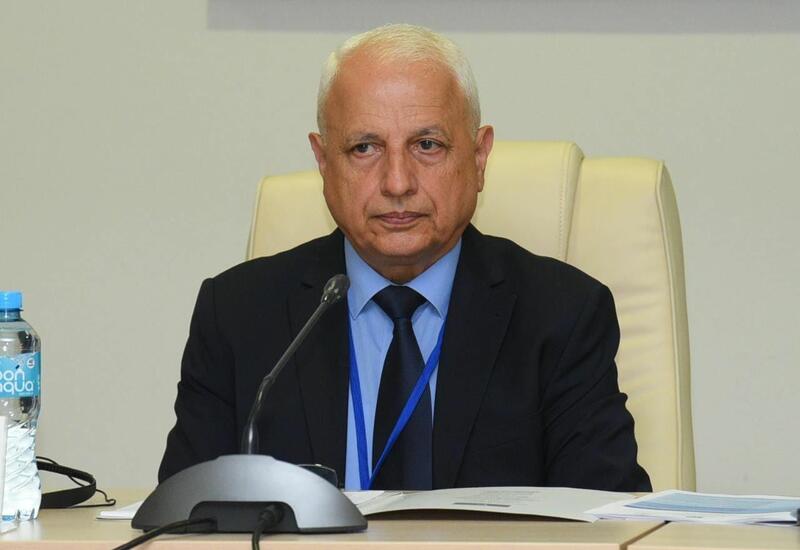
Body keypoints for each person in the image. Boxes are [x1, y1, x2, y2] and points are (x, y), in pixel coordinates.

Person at [159, 24, 651, 492]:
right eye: (365, 147)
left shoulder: (562, 316)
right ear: (323, 162)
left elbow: (608, 520)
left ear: (479, 157)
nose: (397, 182)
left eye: (427, 145)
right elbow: (181, 520)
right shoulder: (237, 315)